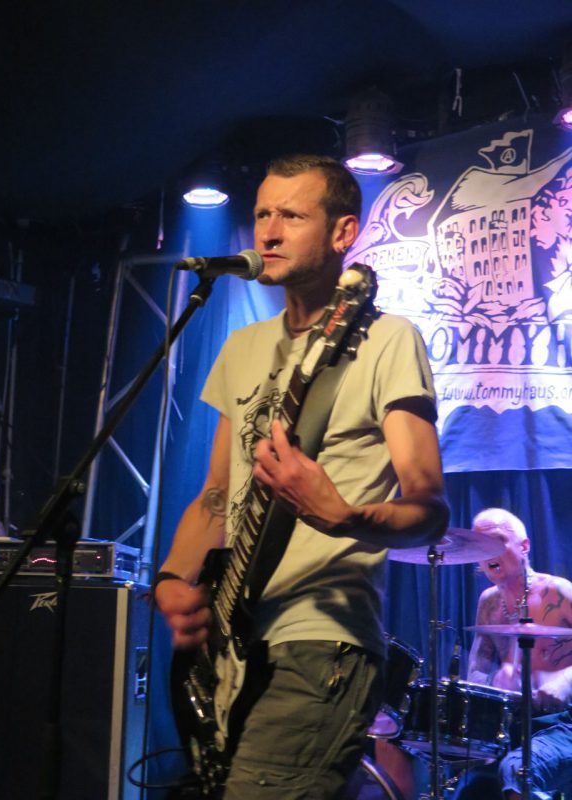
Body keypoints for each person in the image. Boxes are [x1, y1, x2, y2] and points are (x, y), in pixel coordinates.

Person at [154, 153, 449, 800]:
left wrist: (345, 516)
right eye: (262, 214)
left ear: (344, 232)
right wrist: (174, 578)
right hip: (232, 645)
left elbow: (430, 507)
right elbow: (215, 496)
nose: (268, 232)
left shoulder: (388, 340)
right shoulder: (243, 348)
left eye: (291, 215)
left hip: (322, 643)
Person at [454, 507, 572, 800]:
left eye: (498, 540)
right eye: (481, 545)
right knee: (469, 786)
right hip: (514, 727)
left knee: (517, 769)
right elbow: (479, 667)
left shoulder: (559, 592)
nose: (488, 551)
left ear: (524, 546)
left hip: (564, 723)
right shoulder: (488, 602)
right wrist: (490, 688)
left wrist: (564, 681)